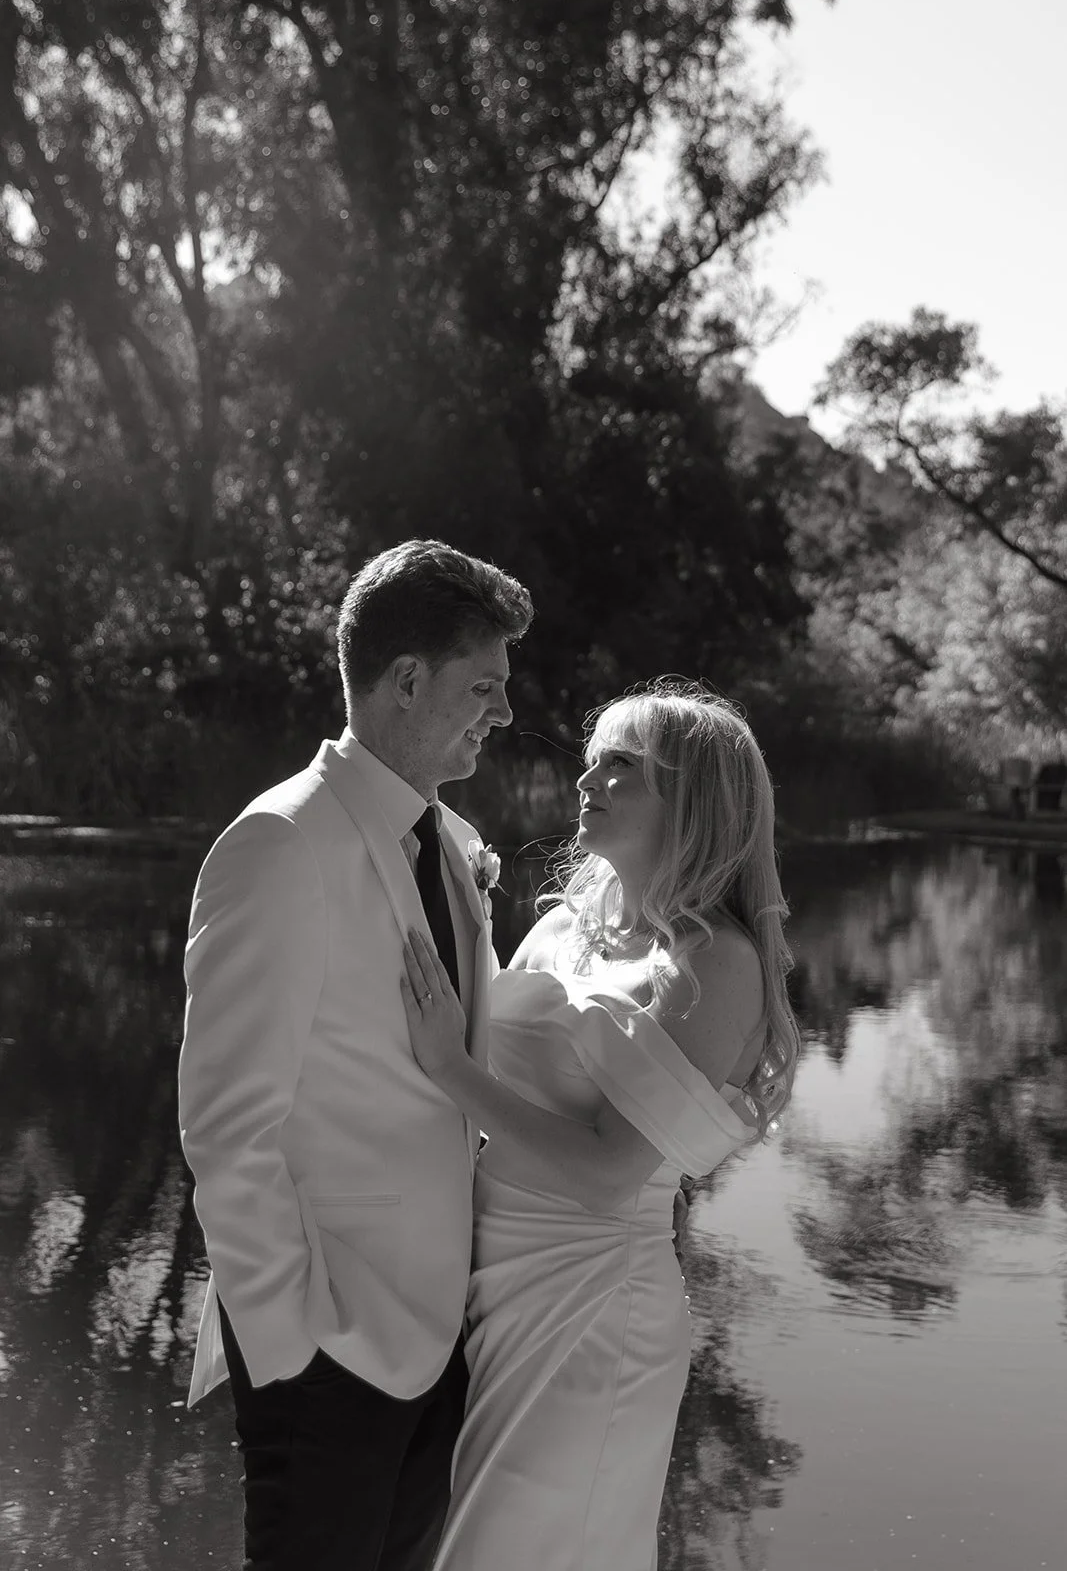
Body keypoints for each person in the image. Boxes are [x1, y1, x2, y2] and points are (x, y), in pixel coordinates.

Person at [177, 538, 533, 1571]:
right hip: (326, 1350)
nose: (502, 714)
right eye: (484, 686)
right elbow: (225, 1128)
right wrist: (292, 1344)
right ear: (406, 681)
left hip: (437, 1343)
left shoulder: (453, 842)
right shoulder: (280, 844)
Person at [400, 681, 800, 1571]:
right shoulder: (559, 933)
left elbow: (606, 1172)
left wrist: (450, 1071)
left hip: (591, 1305)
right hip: (481, 1284)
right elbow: (465, 1050)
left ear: (693, 800)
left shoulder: (714, 962)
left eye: (621, 766)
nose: (586, 780)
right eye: (589, 762)